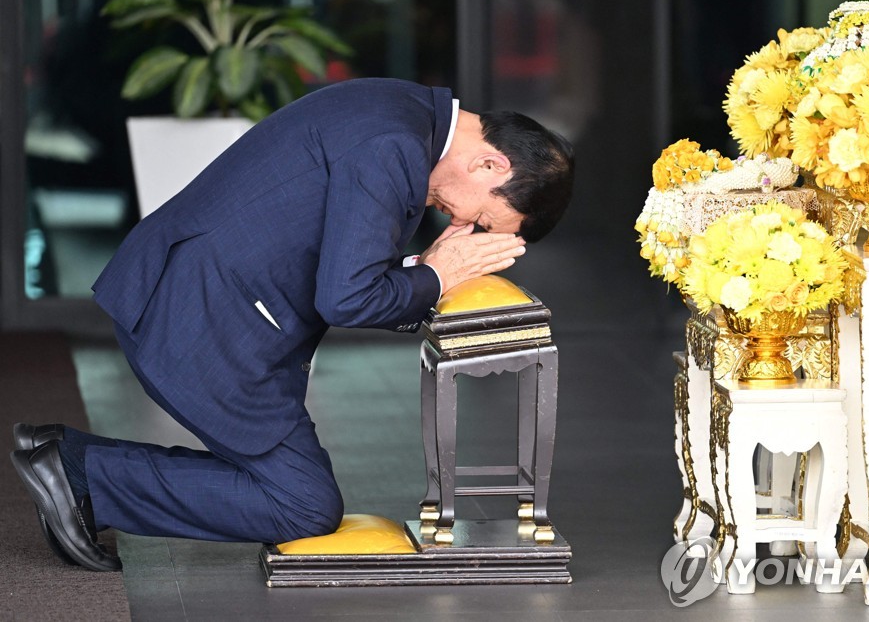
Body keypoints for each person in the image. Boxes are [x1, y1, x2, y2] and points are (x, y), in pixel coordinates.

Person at [10, 78, 574, 571]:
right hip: (203, 321)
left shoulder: (405, 114)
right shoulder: (395, 147)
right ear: (491, 164)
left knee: (294, 491)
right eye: (480, 217)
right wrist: (434, 277)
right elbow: (347, 298)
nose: (461, 225)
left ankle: (75, 461)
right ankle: (79, 471)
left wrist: (426, 272)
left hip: (200, 298)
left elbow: (338, 257)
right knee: (301, 504)